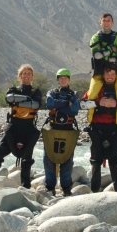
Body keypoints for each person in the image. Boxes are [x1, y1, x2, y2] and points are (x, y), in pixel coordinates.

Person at [0, 64, 41, 188]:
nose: (26, 75)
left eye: (29, 73)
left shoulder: (36, 92)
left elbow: (36, 105)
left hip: (28, 128)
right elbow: (9, 99)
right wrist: (27, 100)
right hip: (14, 126)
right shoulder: (13, 90)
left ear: (32, 76)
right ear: (20, 76)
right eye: (24, 73)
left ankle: (25, 186)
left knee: (27, 159)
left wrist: (19, 101)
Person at [81, 66, 117, 193]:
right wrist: (98, 103)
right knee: (96, 161)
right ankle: (94, 192)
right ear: (102, 75)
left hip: (115, 128)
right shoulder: (96, 89)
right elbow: (82, 104)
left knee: (115, 161)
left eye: (112, 74)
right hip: (97, 129)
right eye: (107, 73)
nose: (110, 76)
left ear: (116, 75)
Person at [42, 68, 80, 196]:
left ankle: (66, 188)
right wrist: (65, 103)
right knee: (48, 159)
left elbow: (74, 110)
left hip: (68, 131)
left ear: (69, 79)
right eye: (61, 78)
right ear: (58, 80)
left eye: (65, 78)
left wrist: (59, 106)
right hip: (53, 130)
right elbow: (49, 103)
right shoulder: (51, 92)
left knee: (67, 160)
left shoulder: (74, 94)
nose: (63, 80)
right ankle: (50, 186)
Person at [87, 13, 117, 125]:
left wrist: (104, 51)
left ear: (112, 22)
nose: (106, 23)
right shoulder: (95, 37)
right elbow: (96, 55)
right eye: (104, 20)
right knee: (91, 95)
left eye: (108, 20)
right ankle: (91, 119)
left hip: (116, 71)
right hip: (98, 71)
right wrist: (112, 50)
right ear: (100, 22)